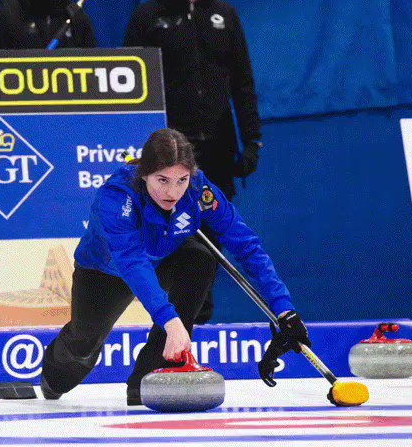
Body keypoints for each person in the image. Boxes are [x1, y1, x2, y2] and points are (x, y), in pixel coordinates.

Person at [40, 128, 307, 405]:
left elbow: (246, 245)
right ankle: (53, 377)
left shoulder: (197, 191)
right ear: (144, 174)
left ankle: (151, 374)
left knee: (201, 259)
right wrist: (169, 319)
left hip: (164, 259)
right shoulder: (117, 196)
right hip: (107, 271)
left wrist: (284, 309)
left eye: (181, 180)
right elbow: (131, 261)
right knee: (79, 351)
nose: (173, 192)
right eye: (162, 180)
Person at [124, 0, 263, 323]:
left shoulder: (225, 16)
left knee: (214, 230)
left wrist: (251, 140)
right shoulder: (147, 17)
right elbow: (128, 85)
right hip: (168, 152)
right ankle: (167, 317)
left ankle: (200, 318)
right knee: (166, 228)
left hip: (217, 146)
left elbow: (243, 82)